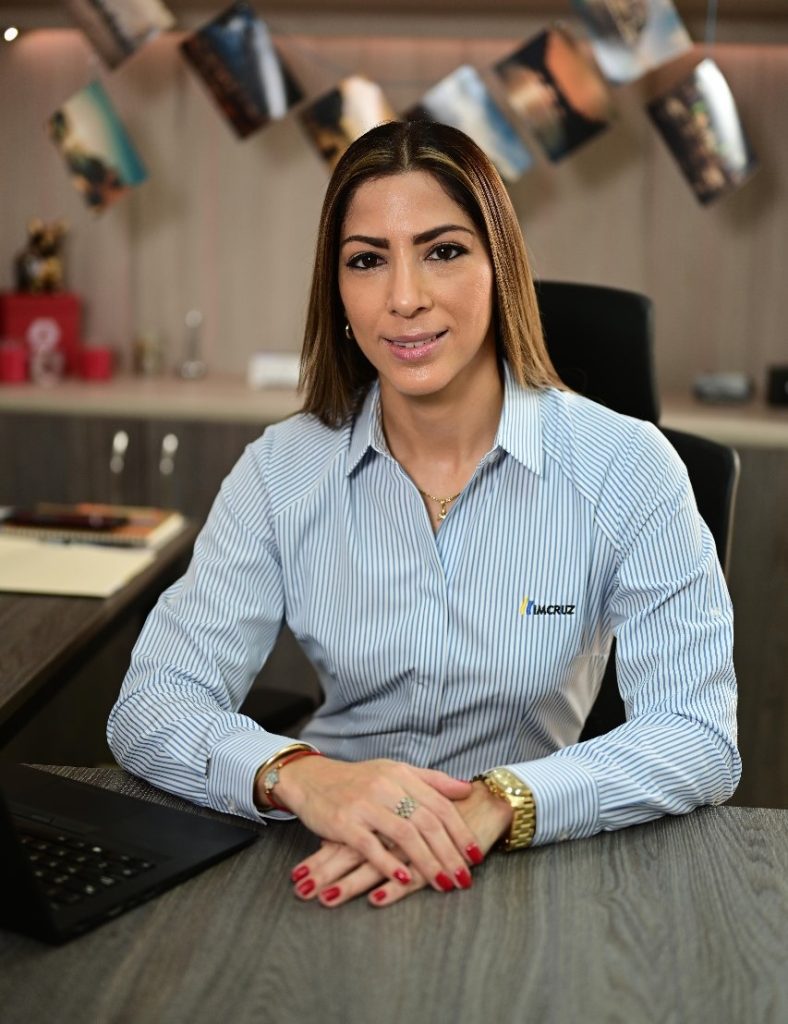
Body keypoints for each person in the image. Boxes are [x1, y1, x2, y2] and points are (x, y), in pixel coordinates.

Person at [107, 119, 740, 910]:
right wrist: (304, 778)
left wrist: (501, 802)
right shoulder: (281, 470)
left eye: (443, 250)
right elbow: (151, 703)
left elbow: (698, 736)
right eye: (367, 260)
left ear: (499, 268)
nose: (404, 298)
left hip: (529, 867)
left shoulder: (627, 467)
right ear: (337, 292)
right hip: (323, 849)